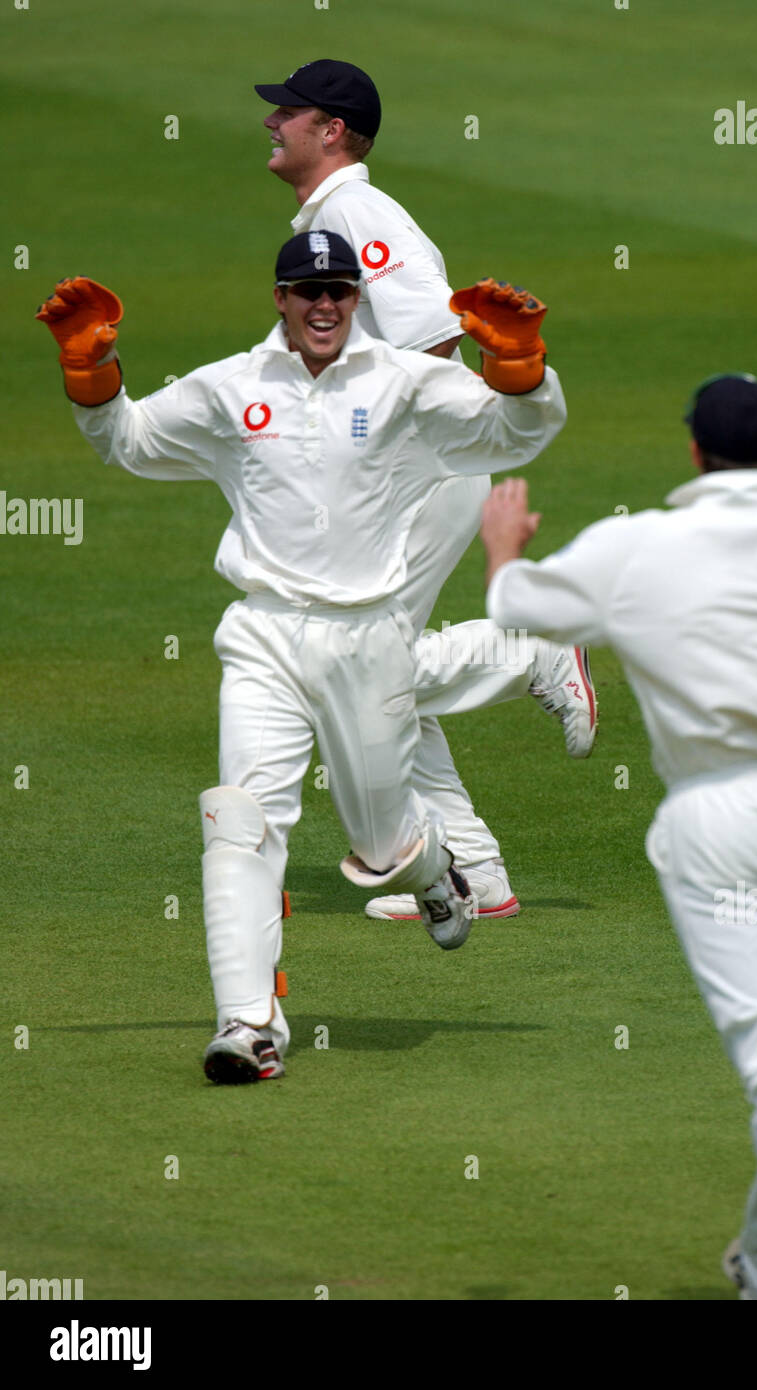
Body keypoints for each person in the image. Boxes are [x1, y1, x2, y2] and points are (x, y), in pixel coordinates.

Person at [36, 236, 568, 1085]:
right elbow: (129, 441)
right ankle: (248, 1026)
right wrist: (90, 375)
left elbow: (520, 432)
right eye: (307, 290)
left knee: (382, 843)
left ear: (357, 298)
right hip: (264, 634)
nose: (325, 306)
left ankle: (437, 873)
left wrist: (524, 364)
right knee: (239, 819)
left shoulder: (405, 381)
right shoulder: (231, 386)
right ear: (280, 298)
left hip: (370, 640)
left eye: (340, 291)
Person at [479, 374, 757, 1299]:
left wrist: (501, 549)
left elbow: (517, 612)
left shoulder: (639, 547)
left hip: (713, 821)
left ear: (693, 451)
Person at [255, 59, 597, 923]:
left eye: (287, 113)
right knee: (374, 674)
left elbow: (436, 330)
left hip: (418, 473)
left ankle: (534, 652)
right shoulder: (333, 216)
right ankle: (471, 874)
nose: (272, 125)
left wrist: (372, 447)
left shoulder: (355, 212)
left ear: (331, 130)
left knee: (363, 666)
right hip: (398, 476)